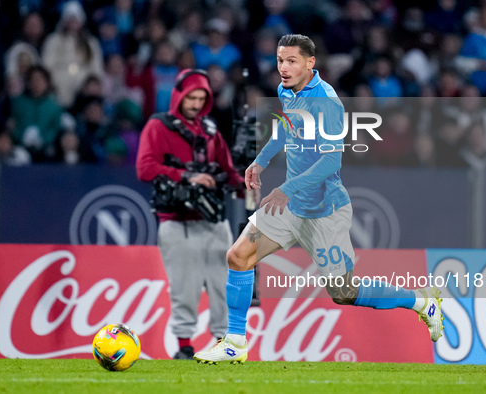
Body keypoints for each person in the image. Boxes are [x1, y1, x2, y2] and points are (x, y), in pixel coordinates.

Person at [193, 34, 444, 364]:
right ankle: (235, 342)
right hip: (290, 206)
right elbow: (284, 126)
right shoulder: (287, 90)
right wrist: (261, 160)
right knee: (239, 257)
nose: (283, 67)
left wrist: (286, 188)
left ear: (311, 63)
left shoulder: (326, 102)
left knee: (344, 293)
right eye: (281, 60)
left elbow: (331, 162)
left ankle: (420, 300)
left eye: (292, 61)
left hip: (324, 211)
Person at [136, 69, 244, 360]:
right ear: (179, 95)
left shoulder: (210, 130)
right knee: (184, 288)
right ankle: (184, 347)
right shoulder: (158, 126)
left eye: (201, 98)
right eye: (191, 97)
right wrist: (185, 175)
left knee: (225, 287)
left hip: (214, 220)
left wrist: (245, 183)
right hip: (177, 221)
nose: (196, 103)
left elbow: (228, 170)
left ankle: (226, 344)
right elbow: (144, 167)